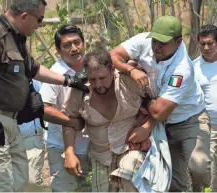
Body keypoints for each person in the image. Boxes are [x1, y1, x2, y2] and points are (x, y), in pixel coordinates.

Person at [0, 0, 87, 192]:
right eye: (39, 19)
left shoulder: (15, 38)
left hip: (9, 118)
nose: (40, 24)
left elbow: (33, 69)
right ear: (25, 16)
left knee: (20, 181)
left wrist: (68, 80)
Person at [110, 15, 211, 192]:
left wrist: (143, 98)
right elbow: (113, 56)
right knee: (171, 180)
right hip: (162, 125)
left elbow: (159, 111)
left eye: (163, 43)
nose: (156, 46)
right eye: (155, 40)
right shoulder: (143, 40)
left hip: (189, 121)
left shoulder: (182, 69)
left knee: (199, 168)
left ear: (179, 41)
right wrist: (131, 70)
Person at [62, 50, 172, 192]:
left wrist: (147, 126)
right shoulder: (80, 89)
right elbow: (69, 120)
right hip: (101, 155)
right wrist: (69, 153)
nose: (98, 84)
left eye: (102, 78)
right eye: (93, 79)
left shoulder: (129, 82)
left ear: (112, 70)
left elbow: (158, 107)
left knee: (129, 174)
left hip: (130, 148)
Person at [40, 24, 91, 192]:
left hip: (93, 146)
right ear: (58, 49)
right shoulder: (55, 74)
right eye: (67, 45)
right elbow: (43, 108)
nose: (74, 49)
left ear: (84, 43)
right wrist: (72, 122)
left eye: (77, 42)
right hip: (61, 147)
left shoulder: (94, 67)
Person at [193, 24, 217, 192]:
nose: (206, 48)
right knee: (203, 171)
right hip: (208, 128)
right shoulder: (193, 68)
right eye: (203, 44)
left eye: (210, 43)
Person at [18, 79, 45, 192]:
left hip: (30, 137)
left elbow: (45, 106)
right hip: (4, 139)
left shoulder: (32, 80)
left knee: (32, 181)